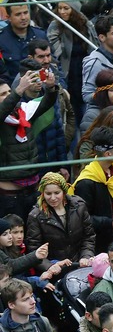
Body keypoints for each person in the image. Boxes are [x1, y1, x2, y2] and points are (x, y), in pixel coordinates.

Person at [0, 61, 58, 221]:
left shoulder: (23, 110)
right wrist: (18, 90)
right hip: (9, 195)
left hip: (33, 188)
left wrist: (51, 88)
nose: (7, 96)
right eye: (2, 94)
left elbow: (45, 104)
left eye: (8, 92)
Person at [71, 127, 113, 254]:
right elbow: (83, 218)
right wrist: (110, 223)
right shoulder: (86, 182)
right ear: (108, 154)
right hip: (99, 246)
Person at [26, 171, 95, 271]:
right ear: (42, 193)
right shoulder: (36, 216)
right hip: (55, 268)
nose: (53, 198)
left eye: (57, 193)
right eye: (48, 194)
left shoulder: (79, 206)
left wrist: (86, 256)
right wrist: (50, 266)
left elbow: (89, 236)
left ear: (64, 191)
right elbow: (33, 249)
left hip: (80, 264)